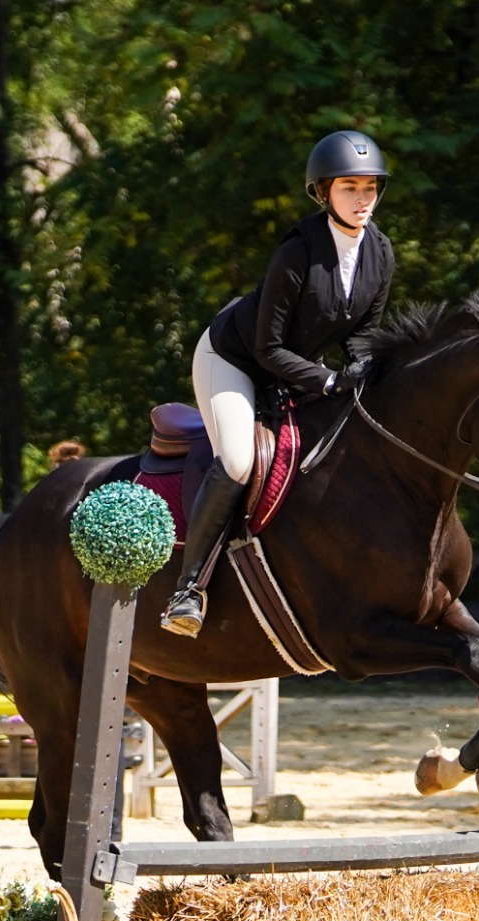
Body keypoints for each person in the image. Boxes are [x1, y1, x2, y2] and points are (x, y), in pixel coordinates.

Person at [160, 129, 398, 637]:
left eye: (370, 188)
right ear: (324, 192)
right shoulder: (298, 251)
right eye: (349, 188)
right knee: (241, 459)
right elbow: (267, 348)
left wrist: (364, 376)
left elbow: (364, 335)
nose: (361, 199)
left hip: (293, 368)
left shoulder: (381, 253)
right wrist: (330, 380)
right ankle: (189, 589)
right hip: (234, 359)